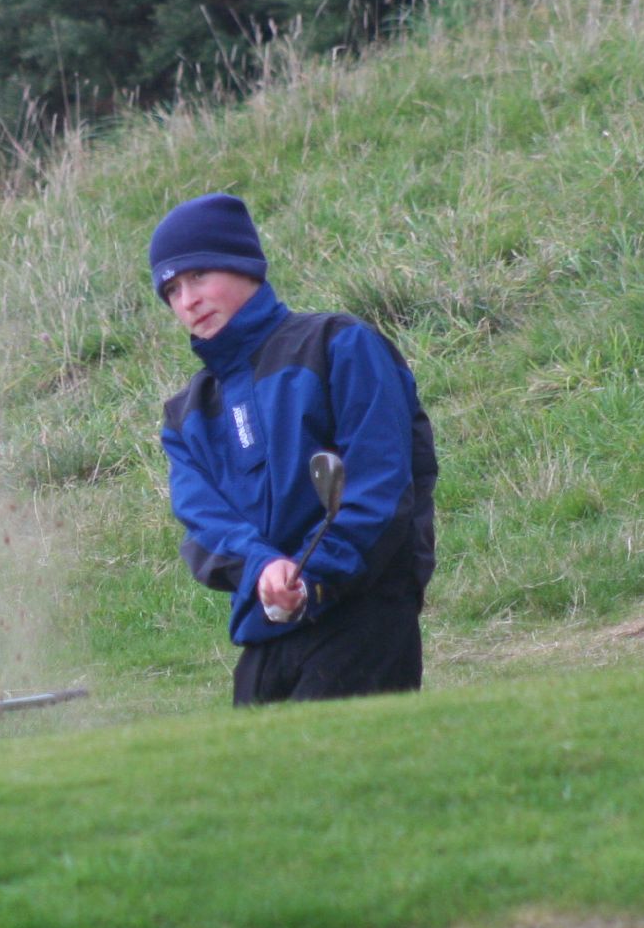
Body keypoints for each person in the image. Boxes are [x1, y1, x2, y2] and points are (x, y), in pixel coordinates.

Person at [151, 193, 437, 705]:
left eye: (197, 276)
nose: (186, 301)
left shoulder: (338, 345)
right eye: (171, 290)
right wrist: (263, 568)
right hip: (266, 630)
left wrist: (312, 576)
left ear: (244, 265)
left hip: (365, 616)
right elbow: (204, 522)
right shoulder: (185, 415)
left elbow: (381, 487)